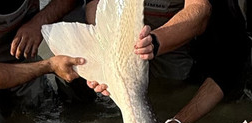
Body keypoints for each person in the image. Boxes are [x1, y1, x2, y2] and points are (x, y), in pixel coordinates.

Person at [83, 0, 212, 83]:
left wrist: (155, 41)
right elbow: (95, 3)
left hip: (174, 63)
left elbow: (200, 9)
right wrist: (106, 40)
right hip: (121, 50)